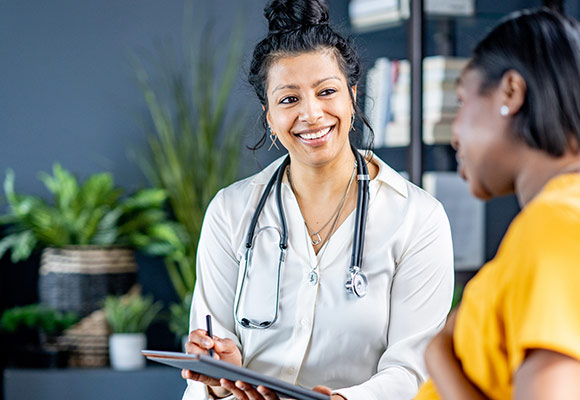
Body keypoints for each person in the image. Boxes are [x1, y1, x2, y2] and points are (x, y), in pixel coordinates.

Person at [181, 1, 454, 399]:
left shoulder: (417, 218)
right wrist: (220, 372)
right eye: (289, 99)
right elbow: (213, 351)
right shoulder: (231, 211)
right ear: (269, 114)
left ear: (352, 97)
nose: (311, 113)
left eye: (327, 92)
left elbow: (414, 370)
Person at [415, 8, 580, 400]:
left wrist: (439, 357)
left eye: (462, 102)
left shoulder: (563, 225)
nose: (455, 134)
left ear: (511, 92)